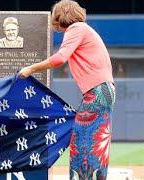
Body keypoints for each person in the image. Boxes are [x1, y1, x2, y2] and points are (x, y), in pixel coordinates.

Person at [19, 0, 116, 179]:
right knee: (96, 141)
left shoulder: (76, 28)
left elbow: (60, 58)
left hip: (98, 91)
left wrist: (30, 69)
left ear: (61, 16)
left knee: (83, 142)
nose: (55, 24)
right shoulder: (84, 29)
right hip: (103, 90)